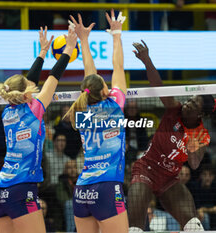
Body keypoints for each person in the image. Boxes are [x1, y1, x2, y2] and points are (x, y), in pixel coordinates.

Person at [128, 40, 216, 232]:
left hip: (169, 179)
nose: (187, 103)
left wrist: (192, 146)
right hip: (146, 170)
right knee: (134, 228)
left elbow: (195, 164)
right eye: (189, 99)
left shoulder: (201, 135)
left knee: (194, 226)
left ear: (200, 114)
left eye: (193, 104)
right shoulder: (174, 109)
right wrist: (147, 60)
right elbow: (158, 86)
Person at [0, 26, 77, 233]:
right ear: (27, 93)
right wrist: (70, 48)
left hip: (0, 192)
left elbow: (29, 82)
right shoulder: (35, 110)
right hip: (22, 189)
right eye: (31, 89)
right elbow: (53, 78)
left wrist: (42, 52)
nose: (35, 90)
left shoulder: (7, 112)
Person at [66, 10, 128, 233]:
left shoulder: (82, 111)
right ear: (105, 90)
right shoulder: (115, 104)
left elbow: (89, 76)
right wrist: (116, 35)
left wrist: (83, 40)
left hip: (82, 190)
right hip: (107, 189)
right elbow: (118, 68)